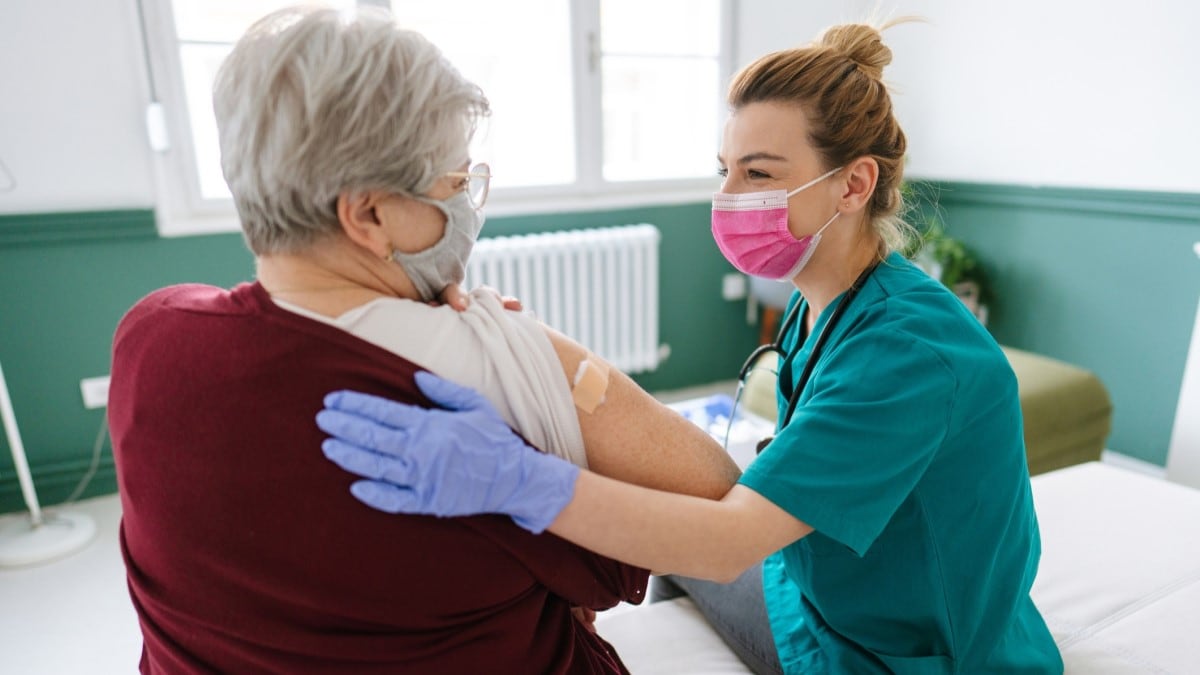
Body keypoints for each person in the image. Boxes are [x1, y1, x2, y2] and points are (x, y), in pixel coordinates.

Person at [315, 19, 1066, 675]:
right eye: (725, 170)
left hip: (896, 655)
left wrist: (520, 481)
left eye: (759, 173)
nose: (731, 196)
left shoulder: (910, 352)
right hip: (824, 596)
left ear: (853, 184)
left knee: (682, 539)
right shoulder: (826, 306)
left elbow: (726, 542)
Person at [107, 5, 739, 673]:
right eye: (457, 182)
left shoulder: (149, 335)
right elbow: (712, 487)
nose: (467, 203)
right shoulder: (491, 358)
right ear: (371, 215)